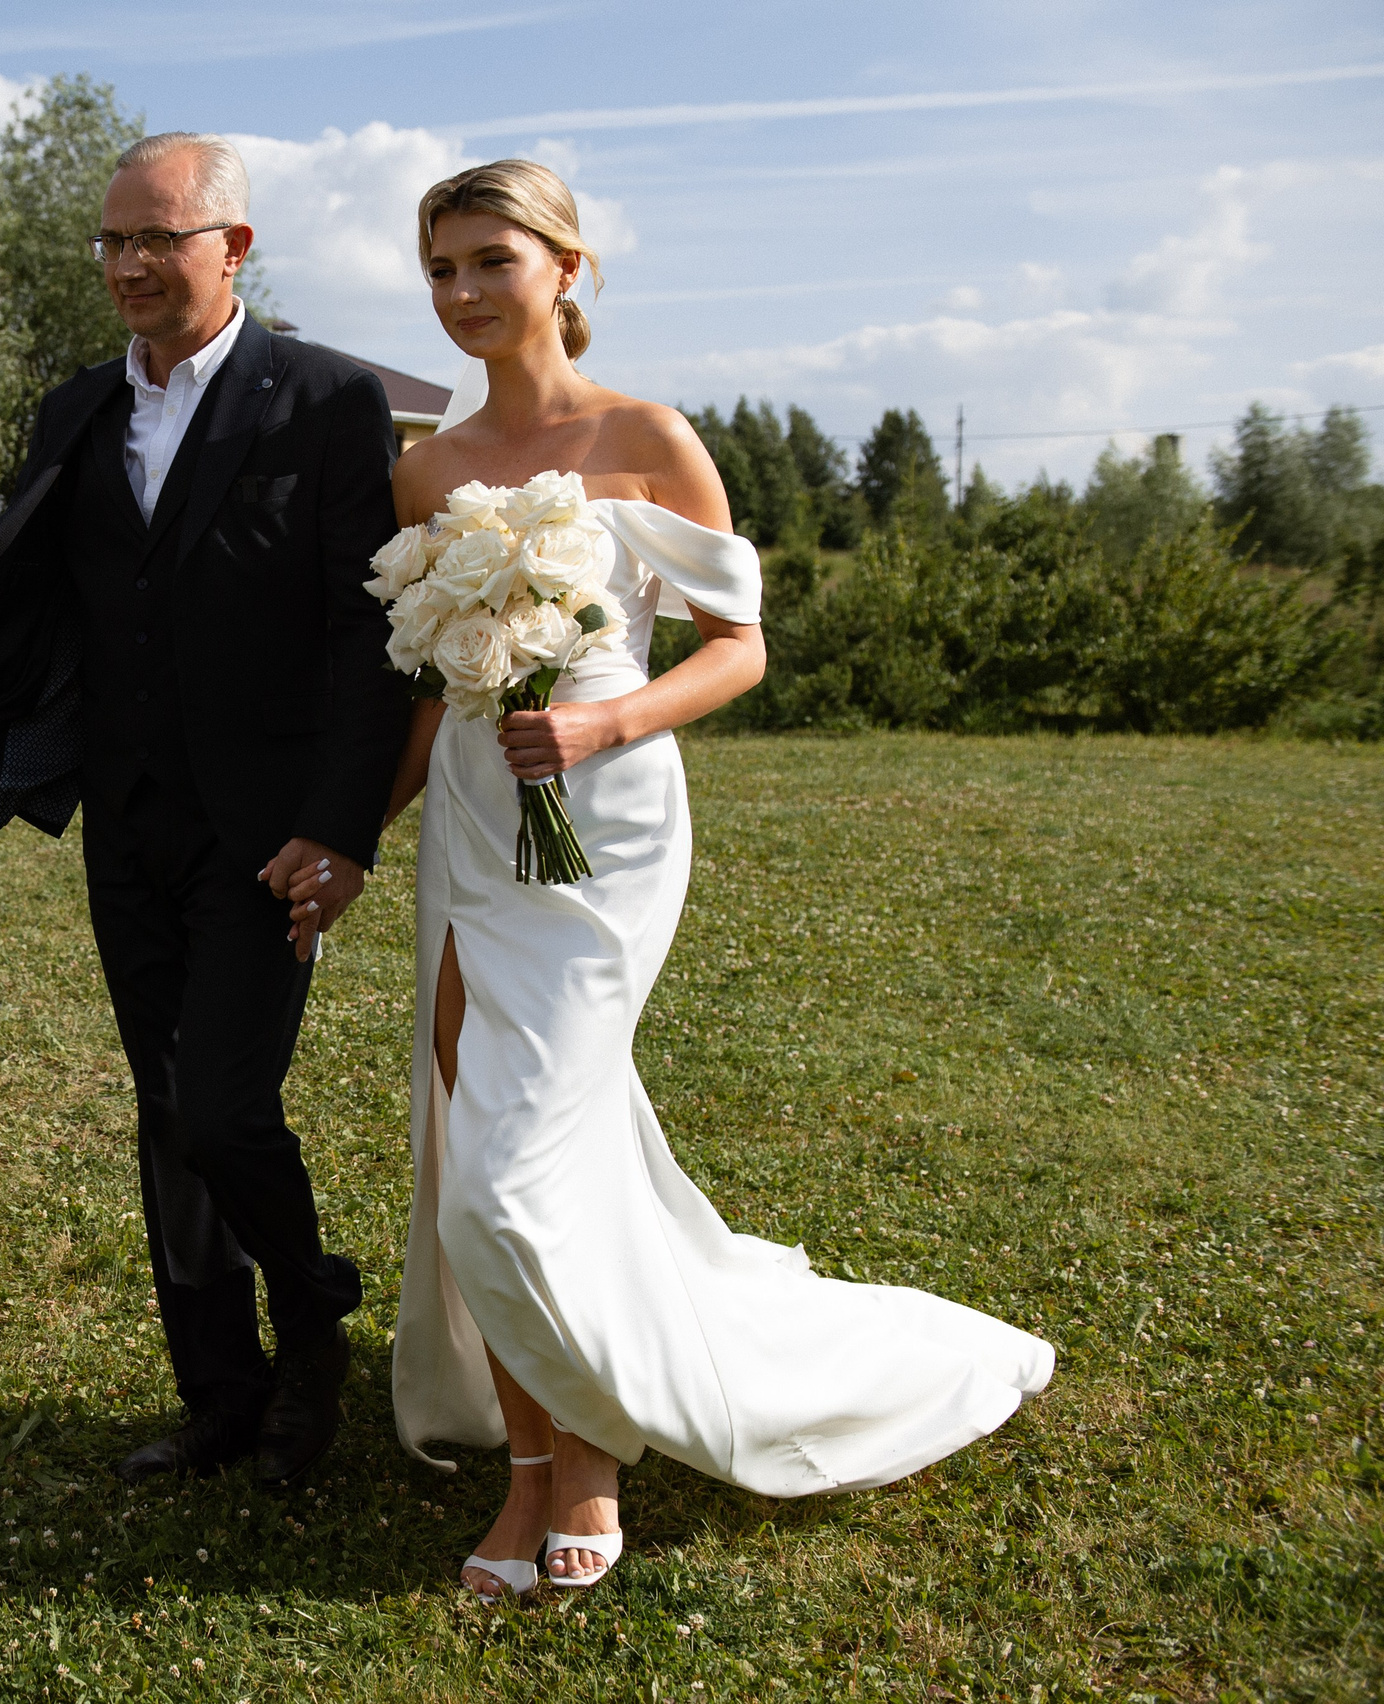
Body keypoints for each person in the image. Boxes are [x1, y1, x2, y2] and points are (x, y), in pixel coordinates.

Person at [367, 161, 1053, 1600]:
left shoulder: (647, 434)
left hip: (607, 812)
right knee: (471, 1139)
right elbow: (430, 693)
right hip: (479, 824)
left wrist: (606, 717)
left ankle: (597, 1449)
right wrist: (357, 829)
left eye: (491, 259)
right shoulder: (425, 466)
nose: (463, 293)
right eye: (440, 269)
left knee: (512, 1170)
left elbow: (739, 645)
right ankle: (538, 1466)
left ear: (568, 266)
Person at [0, 134, 410, 1488]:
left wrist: (342, 831)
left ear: (235, 247)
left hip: (271, 834)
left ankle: (316, 1323)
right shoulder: (74, 415)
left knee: (224, 1109)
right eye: (113, 242)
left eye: (159, 240)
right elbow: (18, 628)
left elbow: (368, 639)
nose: (129, 267)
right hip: (131, 825)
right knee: (166, 1119)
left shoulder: (326, 404)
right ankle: (222, 1399)